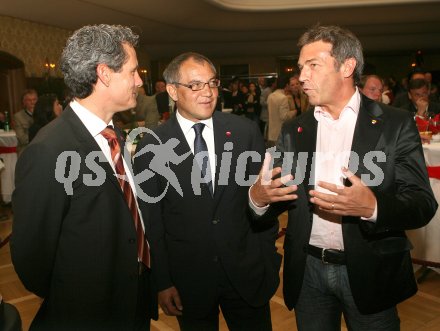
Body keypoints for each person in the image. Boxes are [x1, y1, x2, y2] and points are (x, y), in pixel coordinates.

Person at [250, 24, 437, 331]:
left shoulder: (395, 124)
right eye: (300, 68)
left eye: (313, 66)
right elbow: (276, 199)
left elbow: (421, 203)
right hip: (307, 271)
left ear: (347, 67)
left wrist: (373, 207)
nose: (301, 77)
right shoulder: (295, 129)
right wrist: (258, 198)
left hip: (370, 271)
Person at [11, 24, 156, 330]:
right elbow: (32, 258)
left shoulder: (114, 133)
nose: (140, 81)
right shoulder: (49, 151)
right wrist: (78, 297)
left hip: (132, 301)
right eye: (132, 72)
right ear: (104, 74)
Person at [134, 52, 281, 331]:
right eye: (195, 85)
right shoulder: (152, 146)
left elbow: (265, 199)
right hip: (189, 281)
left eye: (212, 83)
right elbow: (152, 221)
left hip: (246, 273)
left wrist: (267, 261)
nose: (208, 92)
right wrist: (162, 281)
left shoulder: (244, 132)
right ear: (173, 91)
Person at [267, 76, 295, 147]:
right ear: (286, 85)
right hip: (280, 133)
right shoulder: (283, 98)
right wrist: (294, 112)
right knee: (281, 156)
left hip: (271, 133)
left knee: (274, 155)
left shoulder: (270, 96)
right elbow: (284, 117)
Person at [14, 89, 38, 154]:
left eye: (34, 99)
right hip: (25, 150)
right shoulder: (18, 117)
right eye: (29, 100)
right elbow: (22, 139)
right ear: (24, 102)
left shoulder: (43, 114)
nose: (32, 102)